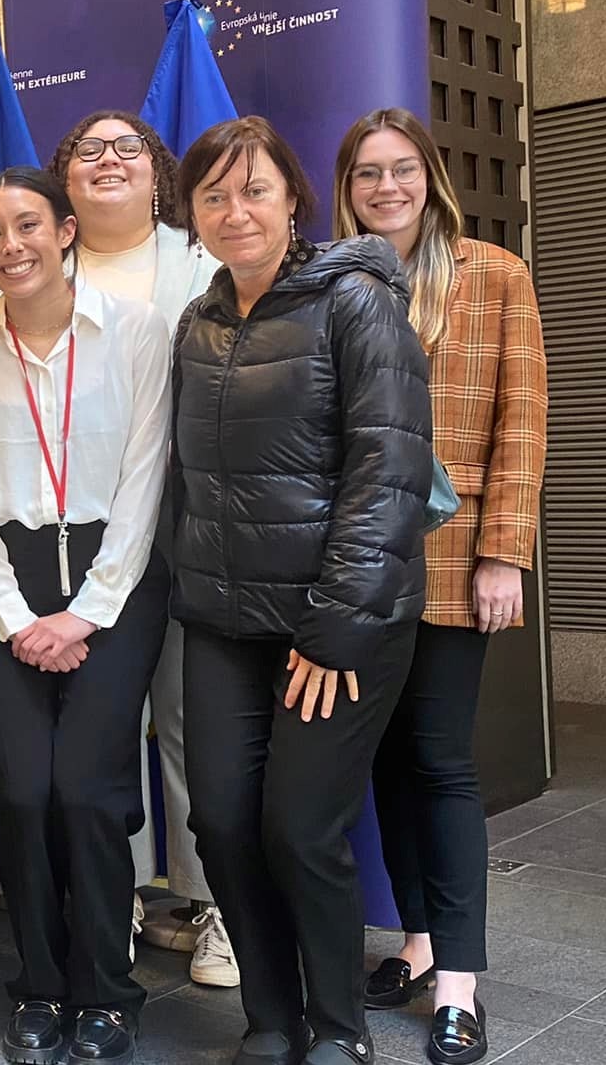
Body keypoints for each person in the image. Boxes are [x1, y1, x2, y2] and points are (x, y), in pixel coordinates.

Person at [169, 116, 433, 1065]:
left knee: (300, 825)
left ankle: (338, 1026)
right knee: (222, 822)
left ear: (293, 201)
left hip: (338, 621)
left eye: (255, 190)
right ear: (191, 212)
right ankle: (272, 1018)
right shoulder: (198, 323)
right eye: (214, 195)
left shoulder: (356, 303)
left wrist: (330, 632)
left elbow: (389, 473)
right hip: (223, 620)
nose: (235, 211)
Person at [0, 167, 173, 1065]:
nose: (11, 247)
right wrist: (13, 613)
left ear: (66, 230)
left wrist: (90, 611)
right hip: (6, 583)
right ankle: (38, 982)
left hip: (118, 576)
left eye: (27, 225)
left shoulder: (138, 330)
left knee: (88, 791)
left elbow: (149, 476)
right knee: (23, 792)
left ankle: (108, 987)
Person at [336, 108, 545, 1065]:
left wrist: (504, 548)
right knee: (381, 759)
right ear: (347, 188)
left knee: (441, 760)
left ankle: (459, 982)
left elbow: (523, 420)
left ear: (430, 178)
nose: (386, 188)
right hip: (361, 565)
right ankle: (417, 942)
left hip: (461, 559)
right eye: (367, 174)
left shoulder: (494, 274)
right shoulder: (332, 285)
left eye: (401, 170)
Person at [48, 110, 232, 988]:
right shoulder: (41, 265)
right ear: (65, 178)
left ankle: (213, 905)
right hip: (80, 535)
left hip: (196, 528)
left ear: (159, 174)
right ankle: (110, 893)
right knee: (102, 719)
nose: (109, 160)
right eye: (90, 150)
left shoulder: (205, 261)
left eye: (128, 148)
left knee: (199, 718)